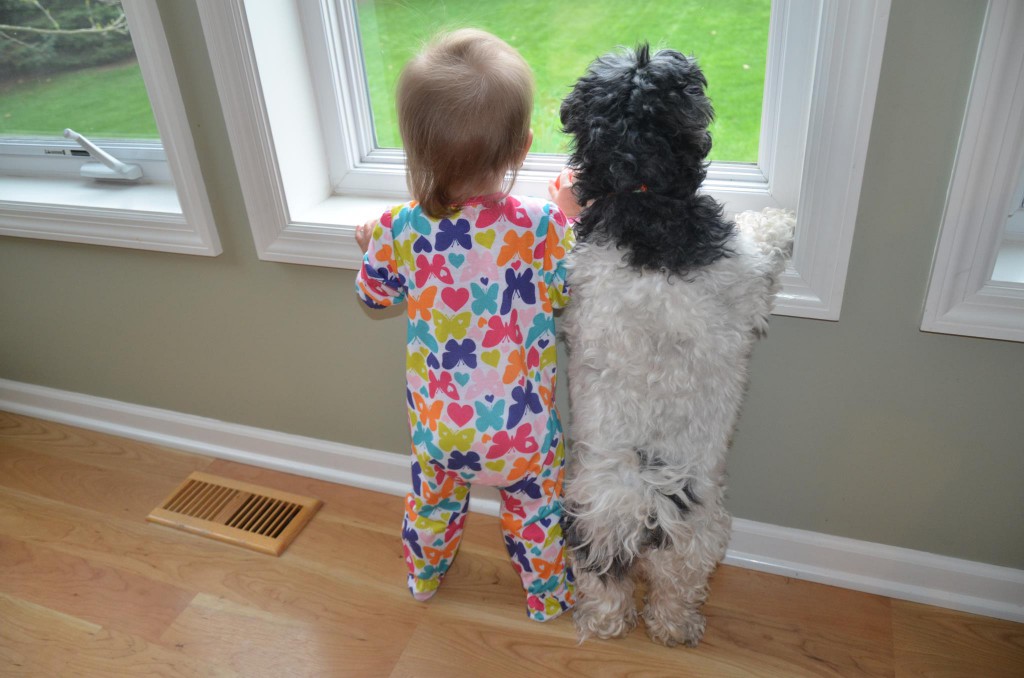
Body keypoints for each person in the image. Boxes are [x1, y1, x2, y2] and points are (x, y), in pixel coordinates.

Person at [354, 29, 576, 622]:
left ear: (415, 150)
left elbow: (373, 296)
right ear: (522, 147)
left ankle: (423, 576)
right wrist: (571, 216)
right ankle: (548, 596)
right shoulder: (543, 225)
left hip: (440, 429)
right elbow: (565, 290)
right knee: (537, 512)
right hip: (522, 432)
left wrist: (371, 245)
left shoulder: (400, 228)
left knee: (433, 503)